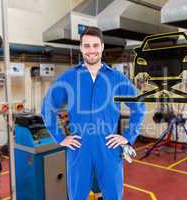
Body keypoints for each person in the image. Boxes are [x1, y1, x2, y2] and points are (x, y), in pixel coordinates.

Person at [41, 26, 146, 200]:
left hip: (108, 147)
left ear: (102, 47)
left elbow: (139, 106)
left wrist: (128, 136)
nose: (91, 50)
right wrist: (60, 137)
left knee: (113, 195)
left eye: (95, 45)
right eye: (87, 46)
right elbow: (47, 107)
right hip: (79, 147)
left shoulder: (117, 78)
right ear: (81, 48)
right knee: (77, 196)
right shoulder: (69, 77)